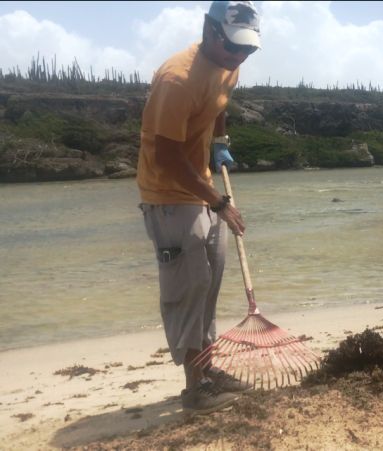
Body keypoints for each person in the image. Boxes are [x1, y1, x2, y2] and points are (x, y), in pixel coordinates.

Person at [136, 1, 261, 414]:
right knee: (188, 288)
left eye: (248, 50)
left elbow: (219, 102)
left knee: (208, 285)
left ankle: (207, 370)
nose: (240, 56)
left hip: (203, 187)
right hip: (169, 194)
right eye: (233, 48)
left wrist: (220, 143)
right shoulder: (177, 80)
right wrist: (220, 202)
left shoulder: (231, 62)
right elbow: (168, 158)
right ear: (209, 31)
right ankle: (194, 389)